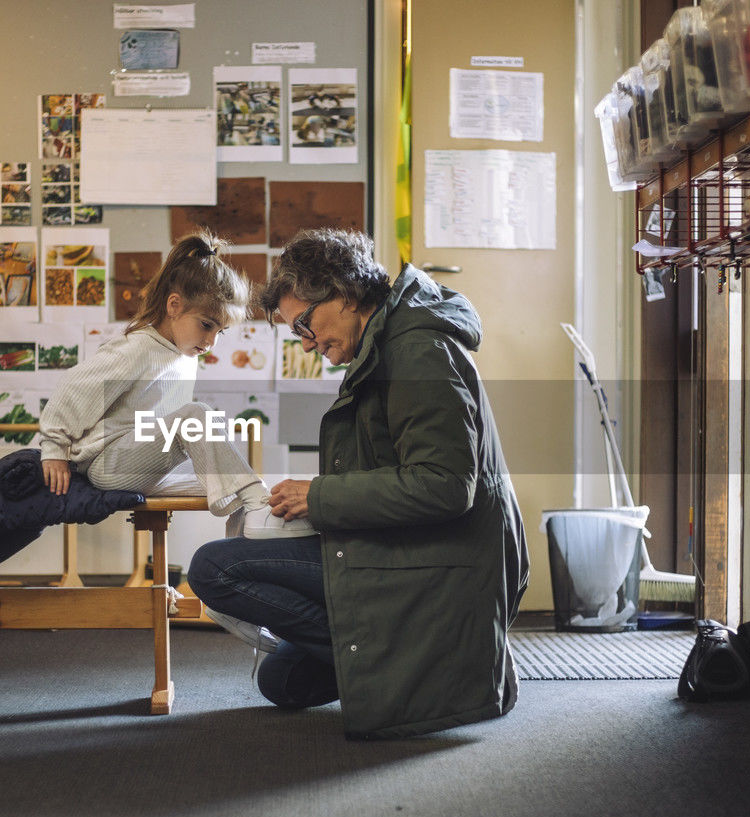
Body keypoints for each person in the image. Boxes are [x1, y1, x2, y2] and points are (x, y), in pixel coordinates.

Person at [187, 228, 529, 739]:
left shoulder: (417, 352)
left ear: (344, 293)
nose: (304, 341)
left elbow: (444, 484)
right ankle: (398, 659)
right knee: (283, 681)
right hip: (413, 549)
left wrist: (318, 497)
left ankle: (425, 664)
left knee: (212, 568)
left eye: (304, 322)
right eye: (295, 331)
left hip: (439, 566)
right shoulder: (388, 341)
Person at [39, 231, 315, 540]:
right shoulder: (138, 348)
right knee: (197, 415)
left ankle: (242, 549)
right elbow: (73, 388)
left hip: (148, 465)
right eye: (206, 325)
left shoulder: (183, 356)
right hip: (110, 465)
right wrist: (54, 450)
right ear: (174, 305)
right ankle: (258, 501)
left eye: (220, 332)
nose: (211, 341)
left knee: (229, 485)